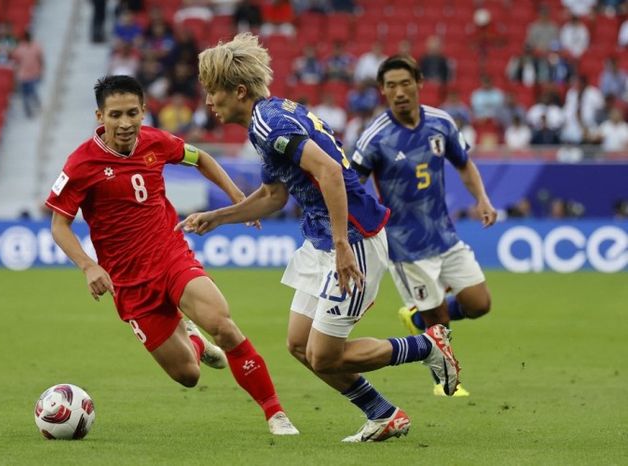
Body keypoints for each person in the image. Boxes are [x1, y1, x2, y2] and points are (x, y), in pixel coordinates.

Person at [179, 33, 461, 443]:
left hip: (354, 238)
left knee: (324, 355)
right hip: (322, 241)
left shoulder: (270, 122)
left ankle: (428, 346)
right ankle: (383, 415)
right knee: (298, 345)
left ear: (238, 91)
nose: (208, 102)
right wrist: (218, 218)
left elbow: (329, 171)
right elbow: (275, 196)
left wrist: (344, 245)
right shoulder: (269, 120)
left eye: (212, 92)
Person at [44, 75, 299, 436]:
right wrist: (88, 266)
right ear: (100, 116)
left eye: (133, 113)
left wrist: (238, 199)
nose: (125, 123)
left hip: (170, 254)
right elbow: (59, 225)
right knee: (188, 375)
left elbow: (202, 158)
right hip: (129, 283)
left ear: (145, 111)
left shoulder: (156, 141)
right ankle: (193, 340)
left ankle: (276, 413)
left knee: (223, 324)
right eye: (115, 115)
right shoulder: (80, 165)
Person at [349, 55, 497, 397]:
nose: (399, 92)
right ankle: (446, 383)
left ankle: (416, 320)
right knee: (439, 324)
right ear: (382, 92)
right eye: (390, 86)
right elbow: (351, 185)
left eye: (404, 83)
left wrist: (483, 200)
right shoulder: (375, 137)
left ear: (418, 83)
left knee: (479, 304)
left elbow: (464, 164)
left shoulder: (441, 123)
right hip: (405, 247)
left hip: (444, 236)